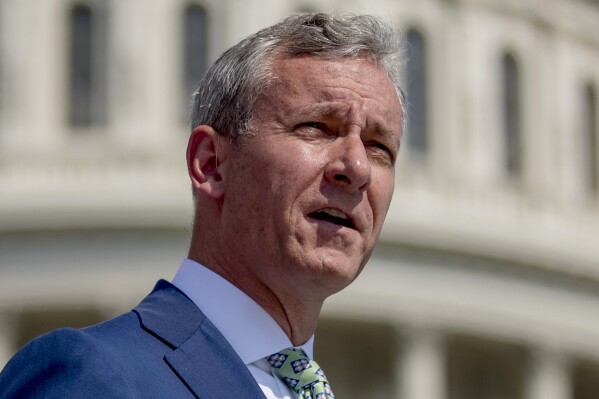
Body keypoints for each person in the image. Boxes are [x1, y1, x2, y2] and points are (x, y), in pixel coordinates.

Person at [0, 12, 405, 398]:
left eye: (379, 147)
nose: (356, 167)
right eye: (316, 127)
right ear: (211, 164)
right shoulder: (95, 376)